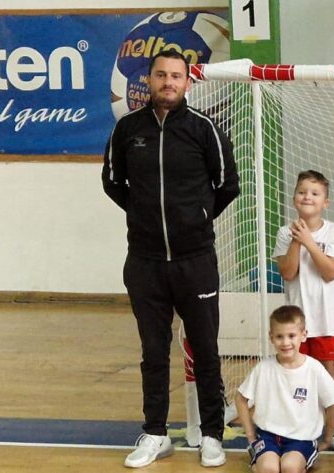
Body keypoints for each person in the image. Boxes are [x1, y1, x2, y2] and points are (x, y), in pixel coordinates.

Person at [102, 49, 239, 468]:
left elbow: (227, 184)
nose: (168, 82)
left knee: (206, 350)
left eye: (176, 76)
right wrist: (145, 216)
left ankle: (212, 435)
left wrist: (196, 220)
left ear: (187, 82)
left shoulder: (204, 128)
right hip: (144, 262)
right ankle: (155, 433)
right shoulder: (127, 129)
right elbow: (113, 182)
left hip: (195, 261)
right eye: (161, 75)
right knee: (153, 351)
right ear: (149, 79)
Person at [272, 170, 334, 453]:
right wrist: (297, 239)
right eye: (302, 192)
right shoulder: (285, 233)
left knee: (328, 375)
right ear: (294, 198)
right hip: (295, 325)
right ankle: (299, 426)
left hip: (326, 321)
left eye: (315, 193)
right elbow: (288, 272)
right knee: (294, 373)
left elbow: (330, 272)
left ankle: (333, 429)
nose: (308, 197)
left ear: (325, 202)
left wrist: (309, 241)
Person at [235, 306, 334, 473]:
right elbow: (240, 398)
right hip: (268, 436)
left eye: (291, 336)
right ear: (271, 337)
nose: (285, 342)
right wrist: (250, 435)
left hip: (302, 439)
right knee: (269, 468)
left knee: (290, 467)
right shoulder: (263, 368)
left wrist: (327, 439)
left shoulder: (314, 368)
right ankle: (259, 460)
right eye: (279, 336)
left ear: (303, 335)